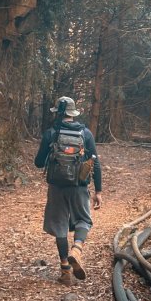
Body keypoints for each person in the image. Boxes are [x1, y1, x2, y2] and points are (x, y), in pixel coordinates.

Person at [35, 96, 102, 287]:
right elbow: (95, 164)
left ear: (58, 112)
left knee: (60, 226)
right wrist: (98, 190)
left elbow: (39, 163)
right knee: (84, 220)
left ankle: (65, 271)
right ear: (72, 114)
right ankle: (77, 249)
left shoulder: (51, 133)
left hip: (57, 188)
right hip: (79, 187)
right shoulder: (85, 133)